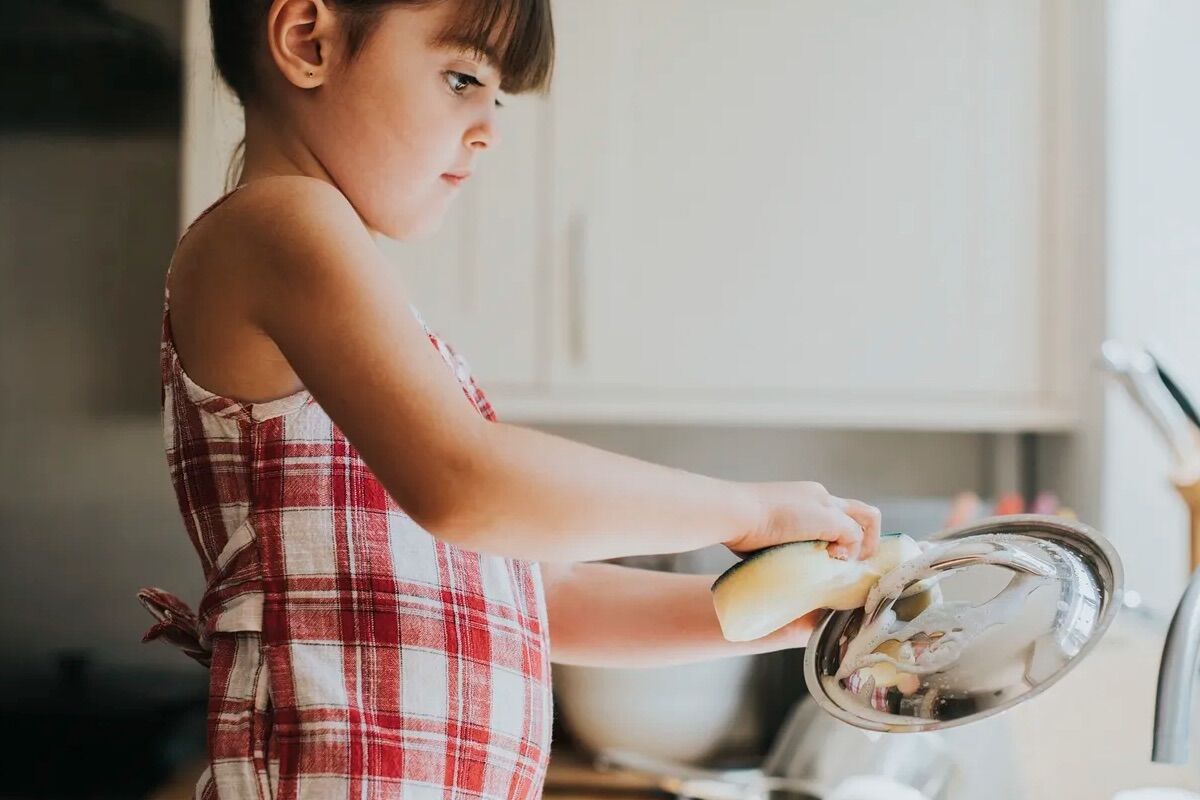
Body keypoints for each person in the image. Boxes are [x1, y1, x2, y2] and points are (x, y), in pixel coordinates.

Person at [139, 1, 882, 797]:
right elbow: (468, 483)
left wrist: (804, 609)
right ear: (307, 41)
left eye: (497, 96)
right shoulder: (278, 223)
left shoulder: (352, 306)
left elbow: (544, 593)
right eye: (462, 78)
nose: (490, 127)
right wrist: (747, 512)